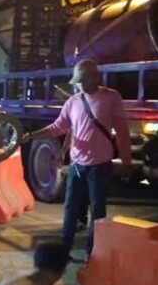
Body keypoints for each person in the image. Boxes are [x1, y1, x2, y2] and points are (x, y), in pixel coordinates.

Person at [29, 59, 132, 260]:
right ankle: (64, 250)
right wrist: (32, 135)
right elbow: (59, 127)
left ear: (95, 77)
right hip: (77, 165)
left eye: (82, 80)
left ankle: (92, 252)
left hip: (100, 166)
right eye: (78, 81)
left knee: (97, 210)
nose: (79, 85)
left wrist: (126, 160)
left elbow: (122, 131)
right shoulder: (73, 102)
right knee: (70, 208)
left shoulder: (111, 98)